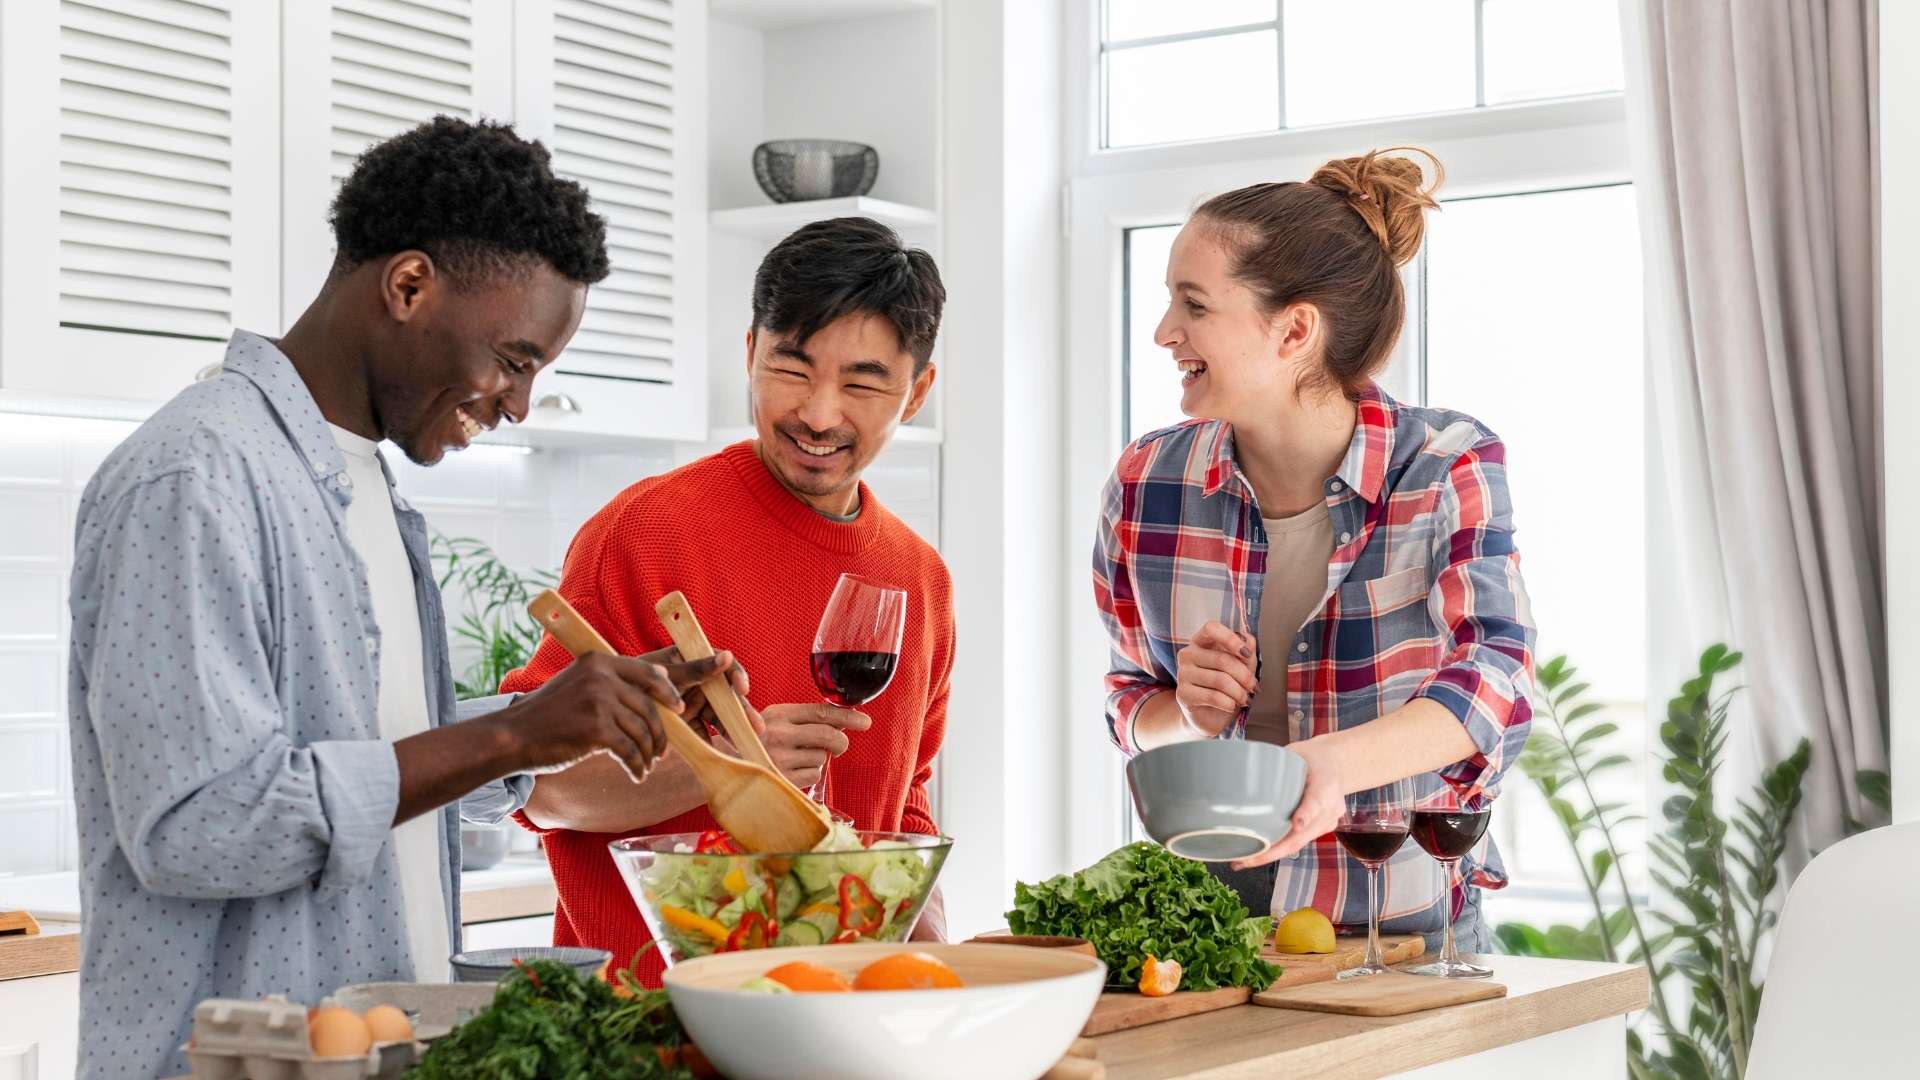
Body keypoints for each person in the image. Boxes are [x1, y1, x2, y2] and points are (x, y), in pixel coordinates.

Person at [67, 116, 744, 1080]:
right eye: (515, 360)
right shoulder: (196, 477)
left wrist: (560, 718)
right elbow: (198, 827)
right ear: (409, 285)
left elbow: (355, 747)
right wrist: (516, 738)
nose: (517, 404)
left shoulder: (365, 490)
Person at [1092, 148, 1535, 949]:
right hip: (1210, 919)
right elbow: (1131, 705)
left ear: (1295, 329)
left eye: (1193, 305)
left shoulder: (1444, 468)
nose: (1164, 332)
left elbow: (1494, 684)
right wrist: (1185, 712)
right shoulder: (1146, 482)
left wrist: (1326, 769)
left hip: (1401, 920)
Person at [502, 216, 954, 984]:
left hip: (844, 1020)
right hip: (645, 1030)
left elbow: (901, 802)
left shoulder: (920, 578)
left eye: (863, 382)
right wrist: (731, 770)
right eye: (792, 367)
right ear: (750, 355)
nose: (818, 413)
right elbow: (540, 790)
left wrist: (930, 954)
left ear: (915, 393)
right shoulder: (645, 533)